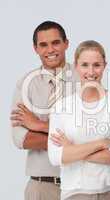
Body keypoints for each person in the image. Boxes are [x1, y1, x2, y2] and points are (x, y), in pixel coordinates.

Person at [48, 40, 110, 200]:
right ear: (76, 66)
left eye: (96, 65)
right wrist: (101, 144)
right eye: (85, 65)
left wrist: (73, 149)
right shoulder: (62, 107)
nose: (91, 71)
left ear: (105, 65)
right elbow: (55, 157)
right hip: (75, 193)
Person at [10, 21, 77, 200]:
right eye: (43, 45)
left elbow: (90, 134)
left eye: (55, 43)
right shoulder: (25, 84)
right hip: (40, 189)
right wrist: (71, 142)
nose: (50, 50)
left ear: (66, 43)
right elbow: (21, 139)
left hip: (81, 186)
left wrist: (37, 125)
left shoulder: (85, 79)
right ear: (36, 48)